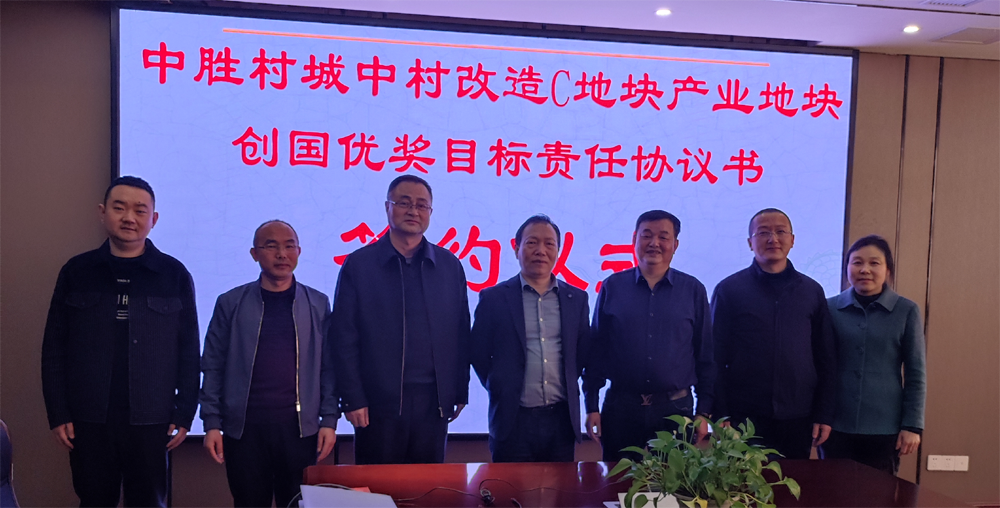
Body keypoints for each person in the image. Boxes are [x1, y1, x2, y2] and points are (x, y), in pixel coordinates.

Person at [41, 176, 199, 508]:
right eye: (119, 208)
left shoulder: (173, 274)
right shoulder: (77, 271)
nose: (129, 217)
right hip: (89, 417)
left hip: (152, 419)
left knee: (150, 502)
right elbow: (54, 348)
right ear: (102, 212)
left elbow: (188, 349)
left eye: (140, 210)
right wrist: (58, 411)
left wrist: (185, 412)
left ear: (153, 219)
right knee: (94, 500)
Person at [331, 175, 471, 464]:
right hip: (378, 404)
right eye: (404, 203)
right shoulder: (360, 265)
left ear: (430, 212)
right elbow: (343, 337)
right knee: (377, 487)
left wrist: (459, 390)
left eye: (422, 205)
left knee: (427, 485)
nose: (413, 211)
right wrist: (353, 397)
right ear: (388, 207)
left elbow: (461, 333)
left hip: (433, 403)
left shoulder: (448, 266)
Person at [199, 220, 337, 508]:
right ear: (254, 254)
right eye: (271, 246)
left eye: (289, 246)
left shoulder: (317, 303)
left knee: (297, 504)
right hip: (244, 430)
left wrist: (329, 420)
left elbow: (329, 367)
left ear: (299, 251)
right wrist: (211, 422)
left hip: (299, 431)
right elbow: (212, 365)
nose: (281, 254)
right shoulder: (231, 302)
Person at [582, 210, 715, 463]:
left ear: (675, 244)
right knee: (617, 479)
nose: (654, 243)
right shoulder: (613, 286)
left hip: (676, 409)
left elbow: (705, 354)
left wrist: (704, 411)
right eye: (647, 235)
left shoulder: (693, 290)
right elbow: (597, 350)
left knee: (673, 483)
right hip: (621, 407)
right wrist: (591, 406)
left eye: (663, 237)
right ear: (634, 239)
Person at [711, 208, 837, 459]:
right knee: (741, 483)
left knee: (792, 482)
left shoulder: (811, 291)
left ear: (792, 239)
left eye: (780, 232)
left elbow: (826, 357)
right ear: (750, 242)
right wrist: (720, 413)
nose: (773, 239)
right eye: (763, 233)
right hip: (743, 417)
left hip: (798, 416)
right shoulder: (729, 290)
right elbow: (714, 356)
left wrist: (824, 413)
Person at [471, 215, 591, 462]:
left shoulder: (576, 299)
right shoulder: (494, 298)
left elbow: (580, 355)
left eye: (549, 244)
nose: (541, 251)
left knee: (561, 486)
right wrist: (501, 385)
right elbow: (478, 353)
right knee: (511, 486)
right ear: (516, 249)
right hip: (513, 420)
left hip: (561, 420)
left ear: (558, 251)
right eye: (532, 242)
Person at [823, 235, 925, 474]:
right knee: (832, 489)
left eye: (874, 263)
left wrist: (912, 426)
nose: (865, 270)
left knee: (879, 492)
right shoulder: (829, 308)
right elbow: (819, 366)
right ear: (847, 268)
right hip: (836, 424)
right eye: (857, 262)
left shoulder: (906, 310)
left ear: (888, 269)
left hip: (885, 426)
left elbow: (916, 373)